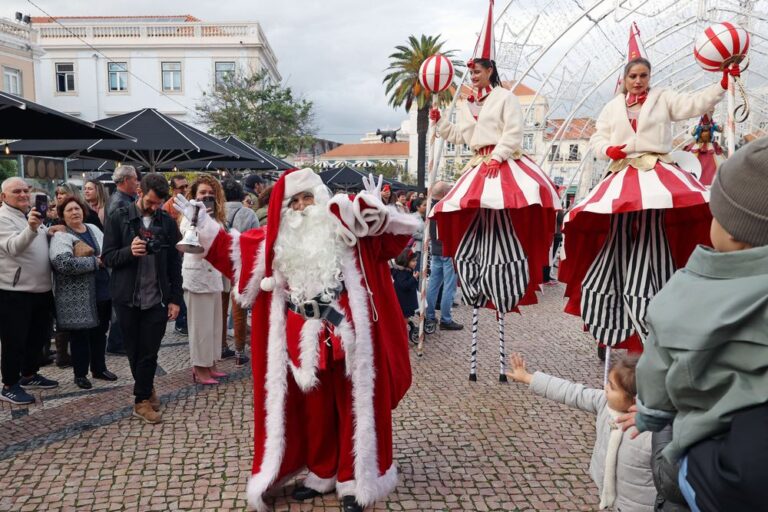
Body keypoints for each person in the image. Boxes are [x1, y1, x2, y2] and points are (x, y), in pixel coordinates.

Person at [174, 168, 418, 511]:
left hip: (347, 334)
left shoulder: (347, 230)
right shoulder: (274, 242)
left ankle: (353, 478)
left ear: (320, 199)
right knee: (314, 408)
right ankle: (322, 470)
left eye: (308, 198)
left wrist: (379, 212)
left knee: (352, 404)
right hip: (299, 336)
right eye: (294, 202)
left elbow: (393, 241)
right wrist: (201, 224)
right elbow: (232, 251)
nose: (302, 207)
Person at [617, 138, 768, 512]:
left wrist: (651, 414)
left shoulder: (684, 294)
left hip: (705, 456)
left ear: (732, 230)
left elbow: (655, 370)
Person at [558, 57, 731, 357]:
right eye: (633, 76)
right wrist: (608, 149)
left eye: (643, 75)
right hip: (623, 173)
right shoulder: (613, 107)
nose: (638, 81)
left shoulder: (662, 98)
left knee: (654, 235)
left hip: (655, 172)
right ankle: (612, 318)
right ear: (625, 80)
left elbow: (693, 104)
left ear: (649, 77)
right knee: (617, 238)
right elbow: (598, 138)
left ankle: (657, 321)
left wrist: (722, 85)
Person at [429, 8, 560, 380]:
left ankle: (506, 289)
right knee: (468, 223)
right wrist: (440, 125)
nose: (472, 74)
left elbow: (513, 134)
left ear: (490, 70)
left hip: (499, 166)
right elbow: (464, 137)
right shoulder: (469, 103)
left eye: (478, 69)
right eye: (470, 70)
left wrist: (498, 157)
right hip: (477, 165)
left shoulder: (505, 98)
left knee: (505, 222)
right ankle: (474, 290)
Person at [508, 352, 654, 511]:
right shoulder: (604, 403)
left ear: (634, 398)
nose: (605, 388)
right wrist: (528, 378)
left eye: (612, 387)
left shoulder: (654, 432)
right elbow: (571, 392)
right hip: (609, 495)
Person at [102, 173, 182, 424]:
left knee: (150, 350)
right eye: (150, 202)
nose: (154, 207)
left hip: (156, 297)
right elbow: (107, 257)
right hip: (126, 297)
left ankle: (141, 401)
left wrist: (175, 299)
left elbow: (174, 264)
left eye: (159, 203)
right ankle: (146, 388)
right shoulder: (119, 217)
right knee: (134, 350)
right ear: (139, 192)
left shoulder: (167, 222)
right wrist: (130, 251)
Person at [0, 177, 59, 405]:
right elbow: (14, 247)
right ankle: (9, 385)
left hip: (41, 289)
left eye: (26, 190)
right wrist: (33, 228)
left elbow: (37, 240)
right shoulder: (3, 218)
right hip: (15, 291)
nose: (24, 194)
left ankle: (29, 374)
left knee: (38, 337)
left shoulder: (29, 214)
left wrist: (49, 231)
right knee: (14, 340)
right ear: (4, 196)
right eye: (17, 191)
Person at [49, 196, 116, 389]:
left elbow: (107, 252)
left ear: (83, 211)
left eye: (77, 208)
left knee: (100, 333)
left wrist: (103, 259)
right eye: (69, 210)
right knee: (80, 337)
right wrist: (95, 262)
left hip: (102, 290)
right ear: (62, 215)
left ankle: (99, 368)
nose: (74, 212)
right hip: (76, 297)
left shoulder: (93, 228)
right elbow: (63, 263)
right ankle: (80, 374)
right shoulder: (61, 236)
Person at [180, 175, 228, 384]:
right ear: (194, 195)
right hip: (197, 277)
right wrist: (199, 221)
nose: (206, 196)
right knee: (200, 327)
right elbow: (191, 240)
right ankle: (199, 368)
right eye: (202, 192)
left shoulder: (217, 218)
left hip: (214, 277)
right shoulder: (188, 215)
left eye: (211, 193)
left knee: (214, 325)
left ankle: (210, 363)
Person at [222, 179, 259, 367]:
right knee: (239, 310)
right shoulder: (248, 213)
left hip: (219, 264)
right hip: (240, 264)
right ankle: (239, 351)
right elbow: (255, 240)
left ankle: (221, 346)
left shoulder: (217, 212)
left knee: (220, 308)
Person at [105, 165, 139, 355]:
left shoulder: (124, 199)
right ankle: (117, 342)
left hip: (124, 253)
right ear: (126, 180)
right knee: (122, 297)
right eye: (135, 178)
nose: (137, 182)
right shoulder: (119, 202)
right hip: (122, 254)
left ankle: (120, 340)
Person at [424, 181, 462, 331]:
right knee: (449, 286)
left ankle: (429, 315)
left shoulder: (430, 206)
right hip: (447, 249)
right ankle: (446, 319)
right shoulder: (447, 207)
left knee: (433, 284)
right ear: (446, 193)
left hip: (436, 249)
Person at [391, 249, 419, 342]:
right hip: (404, 301)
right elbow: (404, 285)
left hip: (404, 300)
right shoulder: (402, 273)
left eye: (416, 260)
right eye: (413, 261)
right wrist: (414, 278)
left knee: (404, 318)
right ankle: (401, 336)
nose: (415, 263)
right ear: (406, 261)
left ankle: (401, 334)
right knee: (404, 319)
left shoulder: (404, 271)